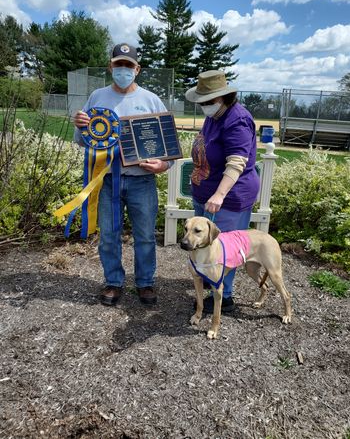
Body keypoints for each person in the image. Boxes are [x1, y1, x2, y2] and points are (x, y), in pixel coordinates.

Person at [73, 43, 170, 306]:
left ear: (137, 69)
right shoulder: (96, 97)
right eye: (119, 64)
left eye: (129, 65)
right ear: (110, 66)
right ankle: (114, 282)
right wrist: (80, 126)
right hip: (106, 181)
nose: (123, 69)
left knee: (146, 236)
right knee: (108, 235)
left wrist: (163, 166)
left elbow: (167, 148)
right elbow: (83, 141)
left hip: (142, 182)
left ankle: (145, 283)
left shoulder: (151, 100)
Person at [185, 70, 260, 313]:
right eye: (201, 102)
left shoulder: (237, 119)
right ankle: (211, 279)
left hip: (229, 196)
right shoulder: (215, 116)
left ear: (223, 98)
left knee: (224, 248)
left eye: (207, 101)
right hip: (206, 193)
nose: (203, 106)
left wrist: (219, 194)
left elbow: (237, 162)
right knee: (206, 243)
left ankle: (224, 296)